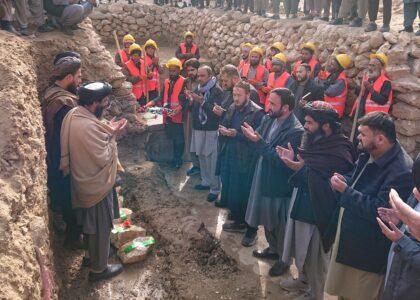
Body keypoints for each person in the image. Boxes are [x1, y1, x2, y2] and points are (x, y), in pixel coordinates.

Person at [326, 112, 413, 300]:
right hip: (351, 240)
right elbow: (356, 178)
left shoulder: (401, 171)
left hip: (367, 253)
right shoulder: (370, 152)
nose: (358, 137)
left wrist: (345, 191)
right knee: (342, 292)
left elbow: (381, 211)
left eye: (363, 134)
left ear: (380, 138)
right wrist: (344, 180)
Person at [277, 101, 356, 300]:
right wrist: (295, 163)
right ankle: (303, 281)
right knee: (299, 248)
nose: (305, 126)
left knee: (315, 257)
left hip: (320, 211)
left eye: (310, 123)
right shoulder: (312, 140)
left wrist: (297, 167)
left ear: (326, 126)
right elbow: (309, 169)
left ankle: (316, 293)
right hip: (303, 201)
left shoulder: (339, 150)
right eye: (305, 121)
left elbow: (329, 183)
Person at [60, 81, 126, 282]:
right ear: (93, 103)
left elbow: (97, 134)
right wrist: (113, 135)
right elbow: (103, 156)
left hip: (81, 182)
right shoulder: (88, 126)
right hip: (95, 186)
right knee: (100, 226)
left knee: (89, 225)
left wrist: (107, 129)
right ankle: (99, 270)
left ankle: (89, 257)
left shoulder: (75, 114)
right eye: (104, 102)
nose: (107, 105)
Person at [241, 88, 304, 275]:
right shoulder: (270, 118)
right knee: (267, 220)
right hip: (264, 176)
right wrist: (255, 138)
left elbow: (281, 161)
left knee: (280, 224)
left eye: (273, 104)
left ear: (285, 108)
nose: (269, 107)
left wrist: (257, 141)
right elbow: (260, 137)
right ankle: (273, 249)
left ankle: (284, 260)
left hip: (279, 184)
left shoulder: (295, 131)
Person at [41, 56, 83, 249]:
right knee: (71, 201)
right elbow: (72, 136)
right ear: (68, 77)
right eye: (78, 76)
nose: (80, 80)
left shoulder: (51, 93)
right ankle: (73, 239)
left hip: (54, 158)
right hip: (62, 161)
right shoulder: (65, 103)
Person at [217, 81, 264, 232]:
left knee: (242, 189)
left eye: (239, 95)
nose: (235, 98)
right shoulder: (232, 106)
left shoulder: (257, 112)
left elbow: (257, 138)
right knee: (230, 186)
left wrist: (236, 134)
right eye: (234, 95)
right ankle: (235, 213)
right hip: (230, 152)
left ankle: (242, 222)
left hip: (245, 157)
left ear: (248, 95)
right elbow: (226, 122)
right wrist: (223, 129)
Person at [377, 155, 420, 300]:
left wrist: (401, 240)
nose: (415, 192)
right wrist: (399, 218)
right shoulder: (416, 193)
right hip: (396, 280)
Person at [186, 66, 223, 202]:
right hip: (199, 128)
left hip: (211, 128)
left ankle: (214, 189)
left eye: (203, 76)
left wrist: (202, 101)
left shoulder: (217, 91)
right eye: (199, 76)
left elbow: (216, 112)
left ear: (210, 76)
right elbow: (192, 108)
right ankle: (206, 181)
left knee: (212, 159)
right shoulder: (198, 88)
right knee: (201, 155)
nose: (199, 78)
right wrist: (191, 100)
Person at [147, 58, 188, 169]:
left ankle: (178, 160)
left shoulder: (184, 82)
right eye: (170, 70)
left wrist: (179, 108)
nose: (171, 73)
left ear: (179, 70)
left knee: (179, 140)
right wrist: (151, 102)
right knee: (172, 138)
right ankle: (174, 159)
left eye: (174, 71)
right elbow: (161, 97)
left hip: (178, 117)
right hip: (167, 115)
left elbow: (187, 99)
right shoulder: (166, 82)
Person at [351, 52, 393, 119]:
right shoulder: (367, 79)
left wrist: (371, 89)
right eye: (369, 65)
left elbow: (383, 101)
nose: (370, 68)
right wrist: (358, 86)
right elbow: (360, 95)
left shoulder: (386, 82)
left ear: (381, 67)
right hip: (361, 115)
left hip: (374, 119)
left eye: (373, 65)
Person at [318, 54, 351, 118]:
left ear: (339, 68)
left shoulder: (341, 80)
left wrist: (322, 81)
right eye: (331, 63)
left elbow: (329, 92)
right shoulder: (333, 75)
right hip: (327, 111)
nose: (329, 65)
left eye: (333, 64)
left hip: (334, 113)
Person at [183, 58, 201, 176]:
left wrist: (193, 99)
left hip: (200, 116)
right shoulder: (187, 82)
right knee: (190, 140)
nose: (190, 72)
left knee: (199, 142)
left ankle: (201, 167)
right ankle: (195, 165)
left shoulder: (202, 82)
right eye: (188, 70)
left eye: (192, 70)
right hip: (189, 115)